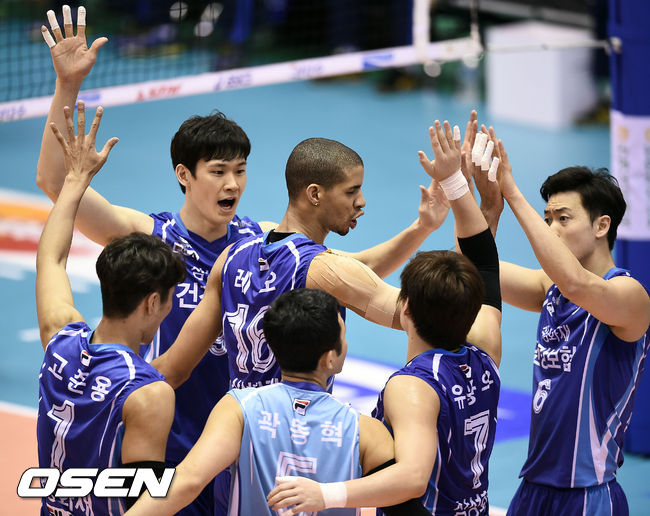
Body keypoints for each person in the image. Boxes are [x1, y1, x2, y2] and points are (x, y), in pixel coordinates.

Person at [37, 7, 447, 515]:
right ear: (184, 175)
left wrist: (419, 229)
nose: (233, 183)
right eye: (218, 171)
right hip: (174, 441)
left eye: (240, 170)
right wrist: (68, 85)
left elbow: (346, 270)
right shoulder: (152, 238)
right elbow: (56, 183)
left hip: (253, 447)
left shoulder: (256, 242)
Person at [266, 119, 503, 515]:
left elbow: (412, 478)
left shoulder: (411, 388)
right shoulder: (486, 351)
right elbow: (484, 265)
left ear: (404, 308)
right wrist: (462, 190)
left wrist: (326, 495)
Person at [125, 288, 430, 515]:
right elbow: (405, 503)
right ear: (330, 358)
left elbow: (189, 481)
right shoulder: (365, 431)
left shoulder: (238, 408)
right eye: (343, 336)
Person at [473, 130, 650, 514]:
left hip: (588, 495)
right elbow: (472, 273)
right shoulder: (549, 288)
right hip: (532, 489)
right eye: (547, 219)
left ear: (601, 226)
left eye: (563, 219)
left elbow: (576, 282)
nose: (551, 228)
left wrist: (513, 193)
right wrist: (487, 209)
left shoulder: (629, 296)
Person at [36, 104, 184, 514]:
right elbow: (143, 506)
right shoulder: (148, 393)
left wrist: (75, 180)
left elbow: (51, 260)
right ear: (152, 302)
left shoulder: (59, 340)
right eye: (170, 298)